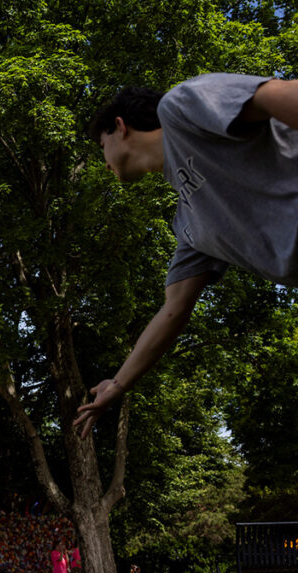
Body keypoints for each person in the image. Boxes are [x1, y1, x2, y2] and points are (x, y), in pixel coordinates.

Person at [76, 74, 298, 436]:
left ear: (120, 127)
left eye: (102, 146)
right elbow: (173, 311)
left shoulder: (180, 107)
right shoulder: (188, 225)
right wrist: (117, 385)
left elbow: (281, 94)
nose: (104, 161)